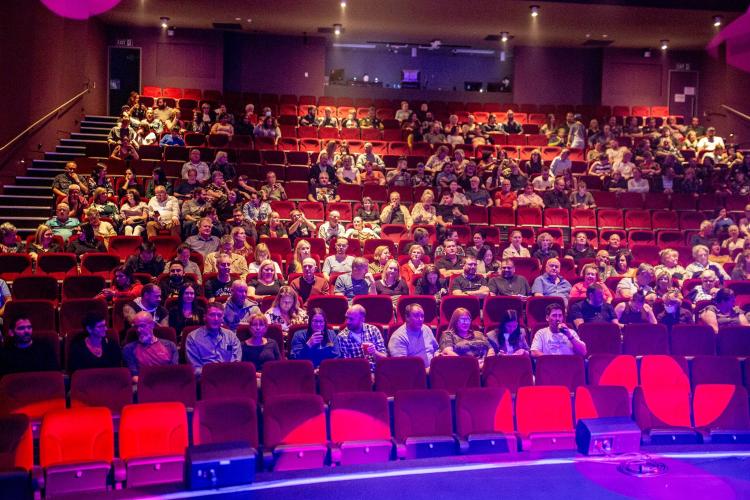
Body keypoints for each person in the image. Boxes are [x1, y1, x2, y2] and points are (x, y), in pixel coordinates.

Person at [186, 303, 242, 376]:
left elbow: (236, 361)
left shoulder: (231, 336)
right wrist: (216, 372)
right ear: (205, 317)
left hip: (228, 378)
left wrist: (226, 372)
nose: (216, 319)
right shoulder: (192, 338)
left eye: (219, 315)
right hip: (205, 379)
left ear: (222, 318)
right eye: (212, 315)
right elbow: (195, 368)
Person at [122, 311, 179, 382]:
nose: (139, 330)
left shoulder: (170, 346)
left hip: (167, 384)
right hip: (144, 387)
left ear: (152, 324)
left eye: (142, 326)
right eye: (136, 327)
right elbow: (135, 377)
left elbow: (174, 372)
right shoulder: (129, 349)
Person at [337, 304, 387, 371]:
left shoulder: (373, 330)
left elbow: (384, 359)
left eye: (351, 319)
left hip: (377, 371)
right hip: (356, 374)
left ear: (362, 319)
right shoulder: (342, 337)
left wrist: (374, 352)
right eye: (346, 318)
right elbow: (346, 366)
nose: (347, 321)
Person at [387, 303, 439, 368]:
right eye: (416, 316)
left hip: (432, 371)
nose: (420, 319)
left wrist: (437, 355)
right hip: (412, 376)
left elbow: (436, 348)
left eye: (422, 316)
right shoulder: (398, 337)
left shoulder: (426, 329)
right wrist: (426, 371)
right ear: (407, 317)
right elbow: (402, 366)